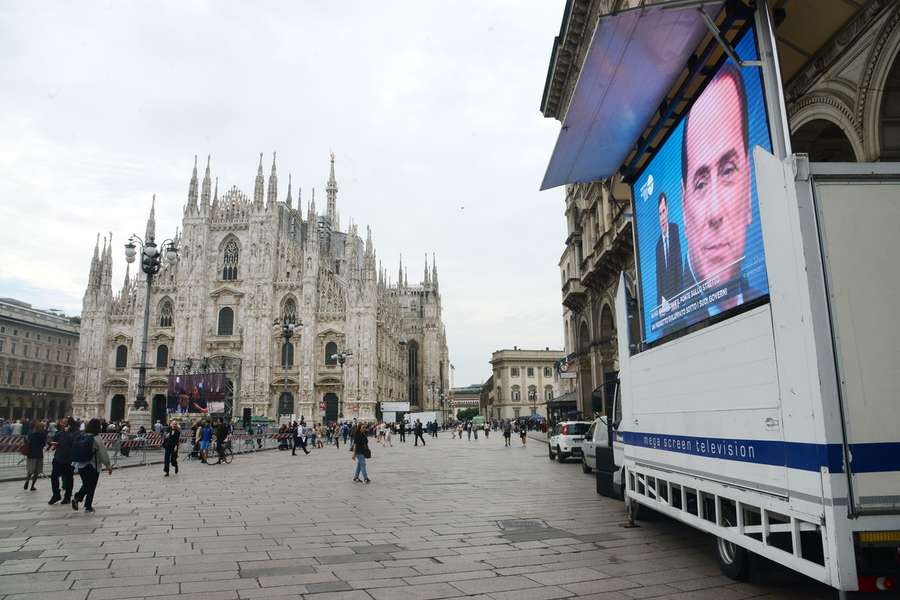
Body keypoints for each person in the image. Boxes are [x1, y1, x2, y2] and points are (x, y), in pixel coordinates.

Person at [681, 62, 754, 313]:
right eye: (700, 183)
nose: (714, 213)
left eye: (727, 171)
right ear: (684, 205)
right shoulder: (673, 324)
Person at [71, 418, 113, 513]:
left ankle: (79, 500)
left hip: (81, 465)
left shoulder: (82, 435)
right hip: (92, 465)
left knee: (86, 485)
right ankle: (86, 504)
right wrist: (108, 465)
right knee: (91, 486)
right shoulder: (96, 438)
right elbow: (103, 453)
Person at [655, 191, 684, 313]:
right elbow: (659, 280)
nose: (662, 217)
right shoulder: (658, 246)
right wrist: (660, 308)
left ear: (667, 210)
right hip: (666, 306)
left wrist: (680, 298)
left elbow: (679, 265)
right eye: (660, 214)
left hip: (679, 299)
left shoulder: (675, 230)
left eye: (663, 211)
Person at [49, 417, 74, 504]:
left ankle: (67, 497)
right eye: (62, 423)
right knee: (54, 477)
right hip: (58, 458)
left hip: (69, 460)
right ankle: (56, 495)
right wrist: (51, 442)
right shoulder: (59, 433)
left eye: (65, 423)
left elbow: (72, 442)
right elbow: (52, 439)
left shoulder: (74, 434)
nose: (63, 424)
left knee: (68, 479)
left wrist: (66, 433)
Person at [23, 420, 48, 491]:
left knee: (30, 470)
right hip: (39, 454)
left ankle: (27, 481)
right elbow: (43, 444)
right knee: (36, 472)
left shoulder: (31, 434)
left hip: (31, 454)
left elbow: (28, 442)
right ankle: (32, 486)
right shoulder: (43, 435)